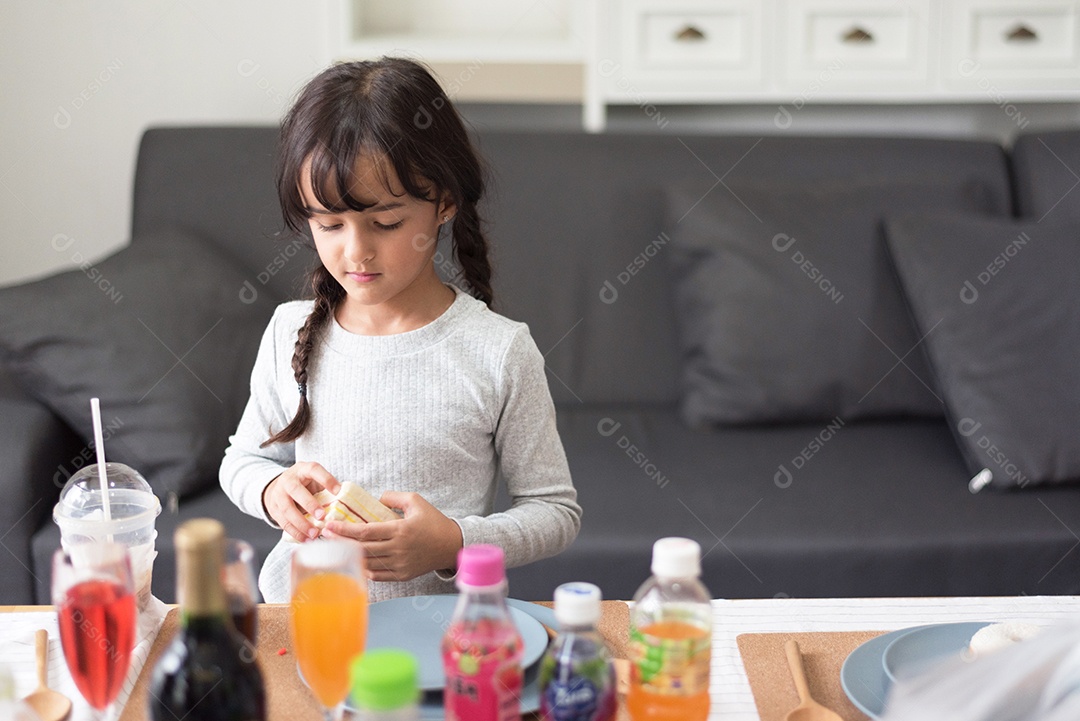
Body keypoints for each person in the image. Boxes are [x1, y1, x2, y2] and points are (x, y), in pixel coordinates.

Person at [219, 58, 581, 603]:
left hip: (435, 635)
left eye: (386, 223)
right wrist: (273, 490)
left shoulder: (500, 351)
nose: (356, 251)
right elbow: (241, 461)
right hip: (305, 621)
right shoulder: (289, 330)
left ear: (444, 203)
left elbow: (555, 511)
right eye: (329, 224)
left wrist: (453, 542)